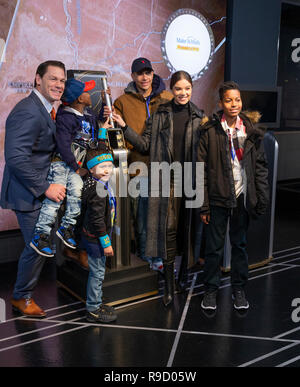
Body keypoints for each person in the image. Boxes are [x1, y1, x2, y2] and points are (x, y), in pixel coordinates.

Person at [109, 70, 206, 306]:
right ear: (171, 90)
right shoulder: (161, 114)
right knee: (168, 231)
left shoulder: (199, 116)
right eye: (178, 89)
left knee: (187, 229)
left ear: (192, 89)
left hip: (191, 181)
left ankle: (183, 275)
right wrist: (123, 126)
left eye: (187, 89)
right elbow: (144, 144)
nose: (183, 93)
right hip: (167, 180)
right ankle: (170, 286)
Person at [0, 60, 66, 317]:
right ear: (38, 79)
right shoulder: (28, 110)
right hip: (27, 192)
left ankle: (22, 293)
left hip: (35, 191)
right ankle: (21, 297)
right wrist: (46, 187)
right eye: (53, 79)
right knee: (38, 246)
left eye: (62, 80)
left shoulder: (45, 109)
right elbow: (16, 158)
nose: (58, 85)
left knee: (40, 244)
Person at [198, 81, 269, 311]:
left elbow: (260, 166)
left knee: (239, 245)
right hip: (218, 198)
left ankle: (239, 289)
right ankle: (210, 290)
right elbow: (200, 171)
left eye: (237, 99)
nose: (234, 104)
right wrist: (203, 206)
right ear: (220, 103)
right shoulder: (210, 131)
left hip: (242, 197)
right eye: (228, 100)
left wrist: (261, 197)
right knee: (214, 248)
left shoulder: (251, 130)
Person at [103, 57, 173, 272]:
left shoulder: (167, 98)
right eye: (140, 73)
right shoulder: (123, 102)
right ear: (133, 76)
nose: (144, 77)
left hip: (164, 169)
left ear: (153, 74)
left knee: (162, 219)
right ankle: (147, 260)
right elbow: (115, 134)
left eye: (148, 72)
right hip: (138, 169)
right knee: (142, 220)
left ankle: (158, 259)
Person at [29, 77, 98, 257]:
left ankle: (67, 227)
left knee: (77, 192)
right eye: (87, 91)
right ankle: (41, 234)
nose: (90, 93)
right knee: (56, 198)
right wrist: (75, 167)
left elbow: (93, 130)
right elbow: (63, 145)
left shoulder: (87, 115)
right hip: (62, 163)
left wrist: (105, 116)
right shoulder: (66, 117)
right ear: (79, 99)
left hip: (77, 165)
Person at [79, 144, 117, 323]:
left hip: (92, 237)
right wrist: (106, 242)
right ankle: (93, 308)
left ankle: (96, 302)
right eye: (102, 167)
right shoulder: (98, 190)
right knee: (98, 272)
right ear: (92, 169)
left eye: (110, 165)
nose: (107, 169)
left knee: (98, 271)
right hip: (96, 239)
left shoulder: (94, 182)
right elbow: (96, 219)